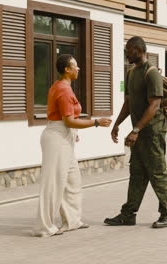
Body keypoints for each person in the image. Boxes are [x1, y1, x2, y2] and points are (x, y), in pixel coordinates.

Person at [31, 54, 112, 237]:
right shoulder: (63, 90)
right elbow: (69, 121)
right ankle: (44, 227)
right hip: (57, 138)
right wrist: (96, 122)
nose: (78, 69)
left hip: (63, 136)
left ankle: (72, 221)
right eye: (75, 66)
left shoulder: (64, 87)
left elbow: (69, 122)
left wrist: (73, 133)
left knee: (72, 181)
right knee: (52, 184)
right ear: (67, 69)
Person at [104, 36, 167, 228]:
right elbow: (129, 103)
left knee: (157, 173)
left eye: (128, 50)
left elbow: (154, 105)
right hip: (139, 132)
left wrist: (135, 130)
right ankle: (128, 214)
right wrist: (117, 124)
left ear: (137, 50)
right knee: (136, 173)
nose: (126, 53)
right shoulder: (131, 72)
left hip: (153, 133)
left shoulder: (151, 73)